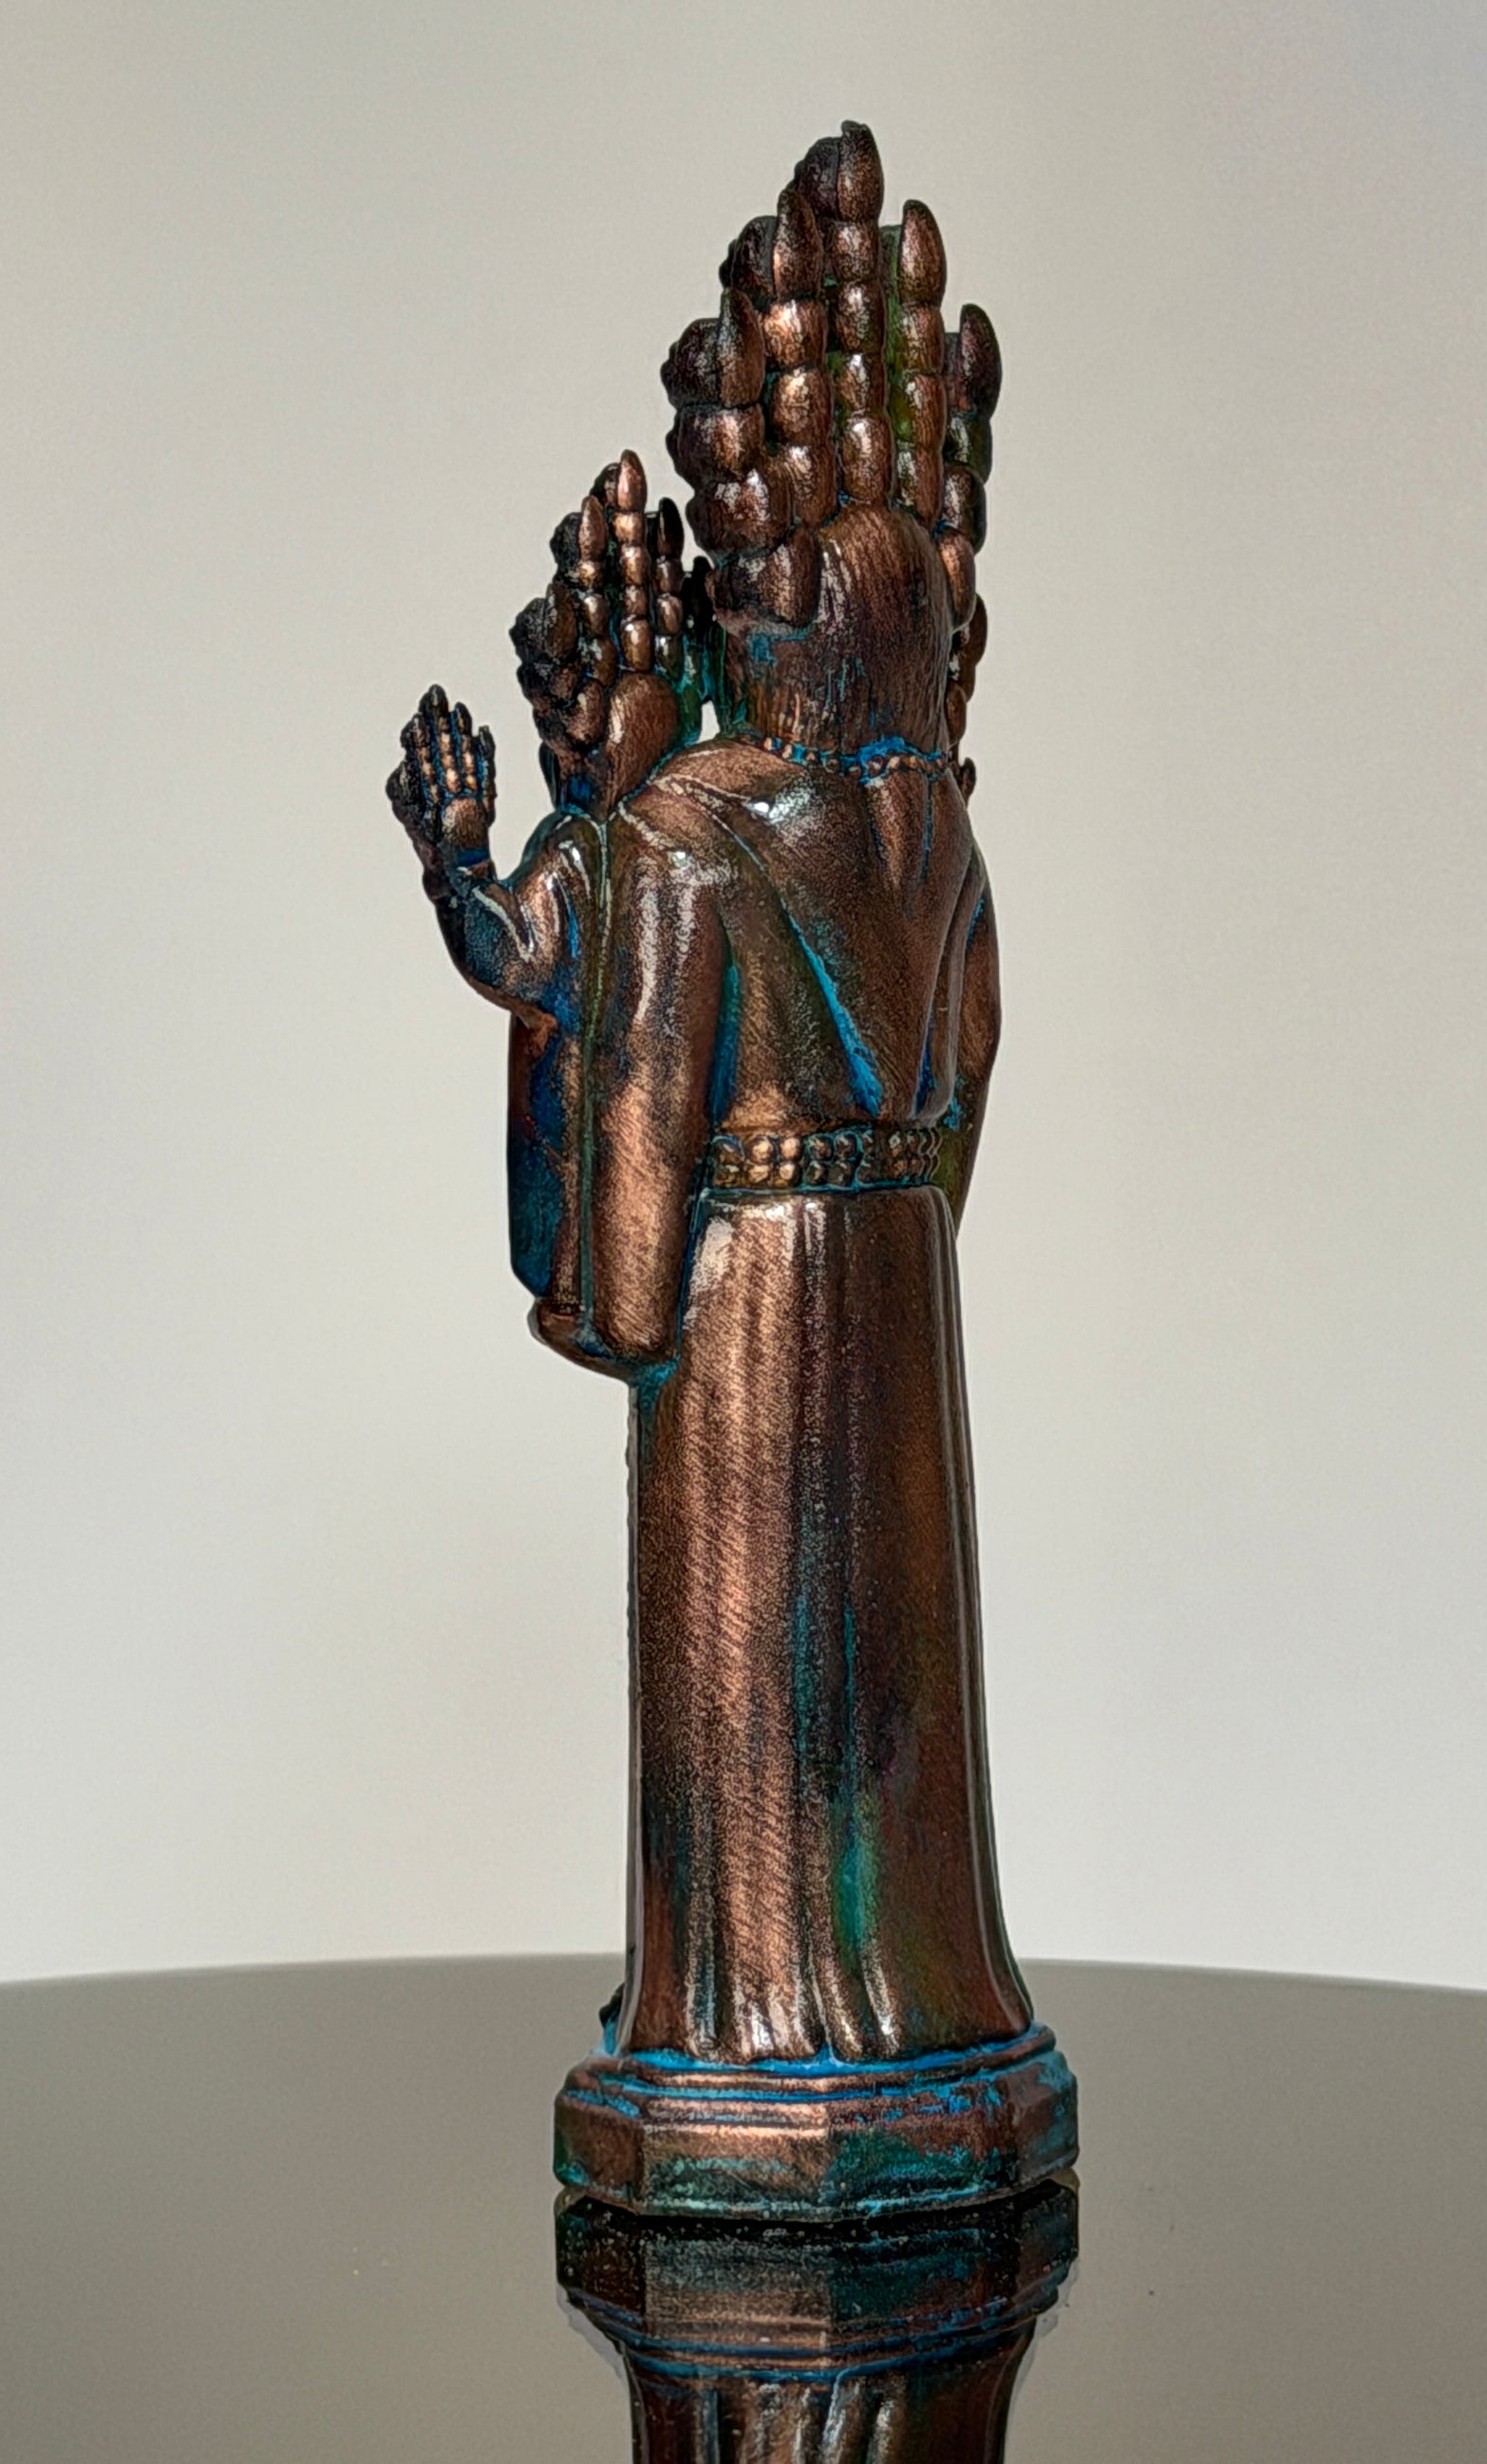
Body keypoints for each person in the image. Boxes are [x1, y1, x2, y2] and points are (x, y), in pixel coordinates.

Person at [386, 123, 1030, 2072]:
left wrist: (618, 1287)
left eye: (759, 614)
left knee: (751, 1651)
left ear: (795, 635)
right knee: (885, 1664)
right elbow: (967, 1085)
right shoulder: (939, 837)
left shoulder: (682, 833)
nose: (736, 635)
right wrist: (890, 1208)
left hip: (751, 1290)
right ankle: (913, 1993)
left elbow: (621, 1058)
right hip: (891, 1292)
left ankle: (748, 2007)